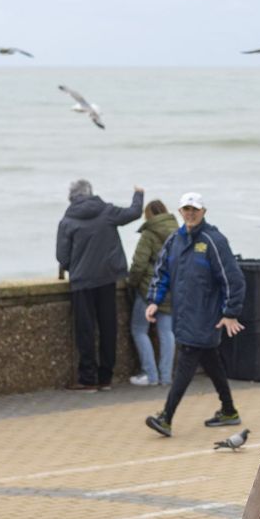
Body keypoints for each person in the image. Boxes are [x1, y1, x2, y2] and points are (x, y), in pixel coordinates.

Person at [144, 193, 245, 436]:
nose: (190, 214)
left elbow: (233, 279)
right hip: (183, 316)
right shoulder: (174, 240)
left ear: (203, 212)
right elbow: (162, 272)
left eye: (194, 210)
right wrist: (154, 301)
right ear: (180, 212)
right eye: (186, 209)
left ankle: (166, 417)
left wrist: (230, 313)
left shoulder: (213, 240)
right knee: (211, 362)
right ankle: (229, 410)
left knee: (186, 363)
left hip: (206, 318)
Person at [56, 179, 144, 390]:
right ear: (91, 193)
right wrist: (139, 194)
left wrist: (74, 267)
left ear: (71, 197)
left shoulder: (67, 220)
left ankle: (87, 379)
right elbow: (134, 213)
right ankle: (105, 377)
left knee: (85, 329)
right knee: (108, 327)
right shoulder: (107, 211)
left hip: (81, 282)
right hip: (107, 278)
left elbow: (62, 255)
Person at [126, 199, 178, 386]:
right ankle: (166, 377)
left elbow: (139, 264)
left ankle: (150, 375)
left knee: (139, 330)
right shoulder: (179, 232)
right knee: (167, 332)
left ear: (148, 215)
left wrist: (132, 283)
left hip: (149, 288)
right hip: (172, 288)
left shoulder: (149, 233)